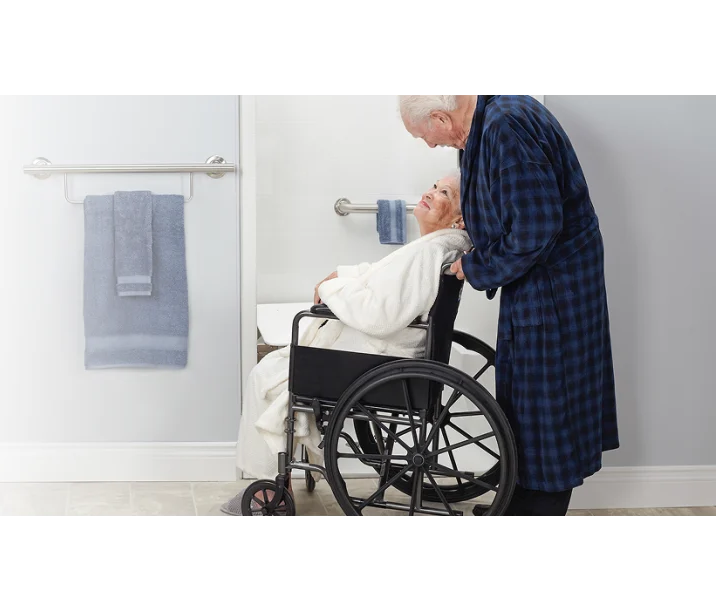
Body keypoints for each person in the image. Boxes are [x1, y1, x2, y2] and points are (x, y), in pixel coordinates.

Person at [398, 92, 619, 519]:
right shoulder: (491, 125)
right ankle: (515, 506)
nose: (430, 145)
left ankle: (536, 515)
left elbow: (536, 228)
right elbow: (516, 209)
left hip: (555, 290)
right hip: (540, 283)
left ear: (441, 117)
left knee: (551, 411)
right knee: (524, 408)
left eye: (426, 135)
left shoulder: (505, 126)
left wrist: (475, 265)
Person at [222, 172, 471, 516]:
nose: (430, 193)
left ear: (458, 216)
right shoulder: (439, 247)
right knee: (276, 368)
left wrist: (330, 291)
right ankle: (286, 472)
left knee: (265, 373)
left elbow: (381, 315)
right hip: (391, 353)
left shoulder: (429, 252)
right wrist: (344, 275)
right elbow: (384, 278)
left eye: (444, 192)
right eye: (433, 185)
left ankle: (272, 487)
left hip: (376, 358)